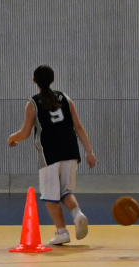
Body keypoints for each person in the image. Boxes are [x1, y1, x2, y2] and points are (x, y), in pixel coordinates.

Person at [7, 65, 98, 245]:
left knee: (50, 196)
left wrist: (11, 138)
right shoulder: (65, 98)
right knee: (65, 191)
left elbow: (25, 133)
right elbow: (78, 127)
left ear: (34, 81)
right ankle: (77, 214)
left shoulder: (33, 103)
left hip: (50, 153)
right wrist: (89, 152)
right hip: (71, 150)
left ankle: (62, 232)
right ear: (53, 79)